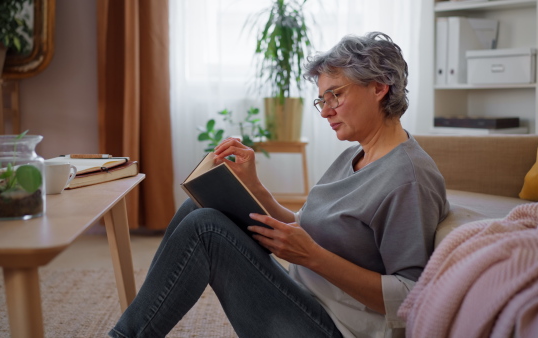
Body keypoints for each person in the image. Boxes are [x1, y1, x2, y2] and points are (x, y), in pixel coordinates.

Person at [109, 32, 449, 338]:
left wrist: (314, 258)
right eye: (322, 100)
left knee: (205, 229)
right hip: (303, 296)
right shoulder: (353, 156)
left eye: (335, 95)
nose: (325, 111)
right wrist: (253, 187)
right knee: (199, 206)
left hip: (337, 328)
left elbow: (410, 298)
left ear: (379, 87)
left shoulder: (408, 179)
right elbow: (307, 229)